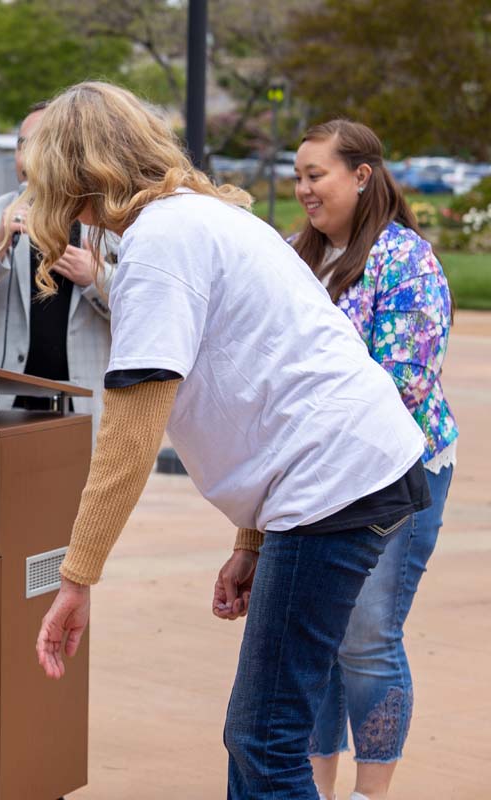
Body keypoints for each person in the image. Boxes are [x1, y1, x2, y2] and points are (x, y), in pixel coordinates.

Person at [25, 82, 430, 800]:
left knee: (264, 738)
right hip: (341, 476)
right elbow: (267, 383)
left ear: (74, 173)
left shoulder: (160, 247)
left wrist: (76, 579)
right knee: (266, 732)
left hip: (332, 485)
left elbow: (131, 434)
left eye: (38, 172)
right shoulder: (206, 220)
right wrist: (251, 538)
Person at [271, 119, 452, 800]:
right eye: (298, 176)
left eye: (315, 174)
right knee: (317, 637)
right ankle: (315, 786)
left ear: (361, 175)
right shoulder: (294, 255)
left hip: (397, 472)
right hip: (312, 474)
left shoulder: (407, 259)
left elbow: (404, 378)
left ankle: (371, 794)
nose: (303, 189)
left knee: (367, 636)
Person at [0, 100, 115, 426]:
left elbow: (149, 310)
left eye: (43, 145)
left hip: (81, 411)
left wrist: (95, 278)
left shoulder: (108, 224)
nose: (28, 157)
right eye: (21, 145)